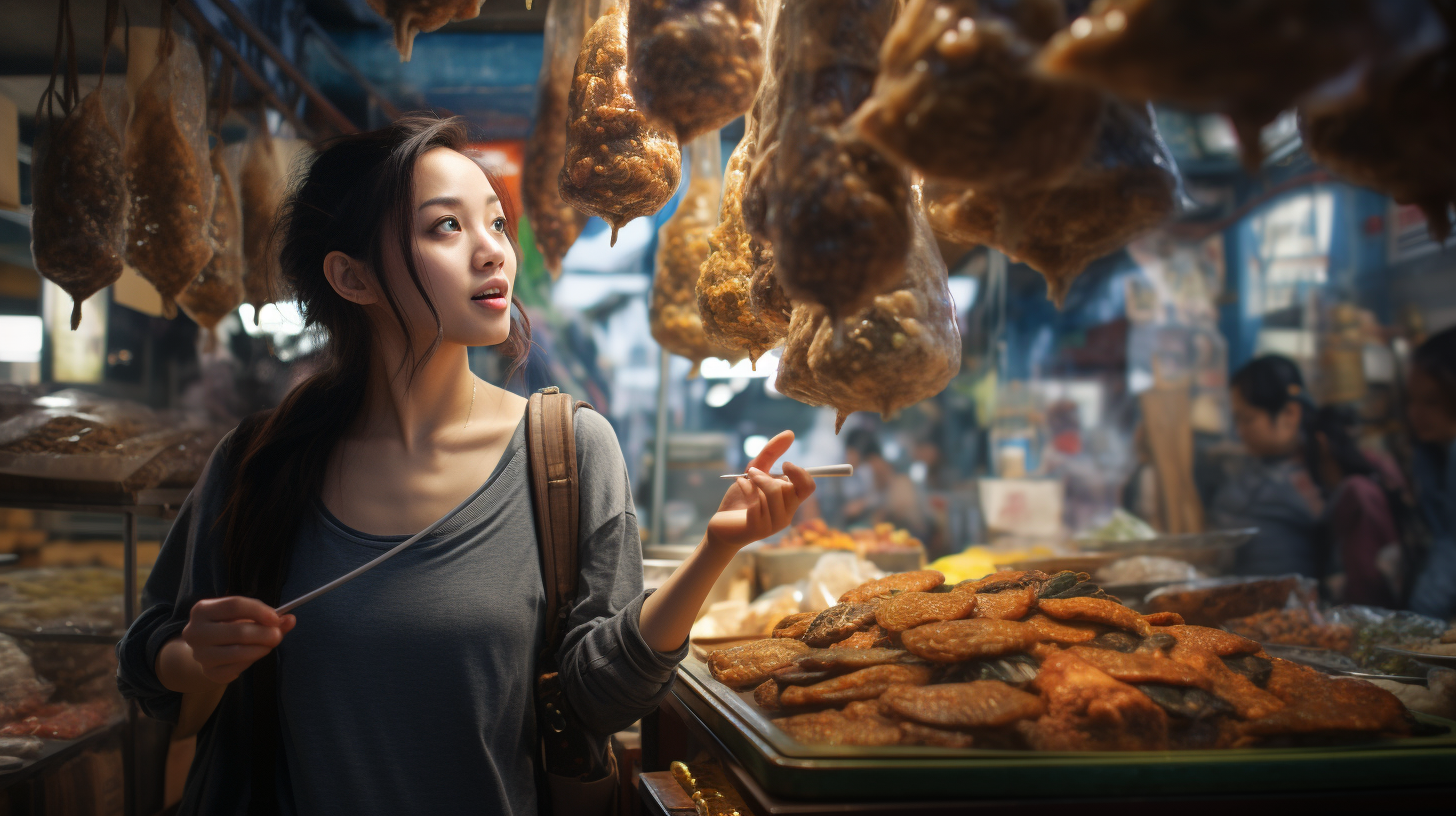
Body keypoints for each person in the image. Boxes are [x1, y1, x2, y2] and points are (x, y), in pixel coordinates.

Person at [115, 117, 816, 815]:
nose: (494, 254)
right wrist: (193, 657)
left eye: (496, 223)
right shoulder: (257, 461)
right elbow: (147, 666)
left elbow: (600, 700)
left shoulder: (567, 453)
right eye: (445, 227)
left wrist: (715, 551)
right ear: (351, 276)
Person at [1211, 355, 1326, 577]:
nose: (1240, 431)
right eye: (1237, 420)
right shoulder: (1257, 465)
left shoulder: (1321, 471)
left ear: (1289, 415)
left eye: (1248, 419)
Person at [1407, 326, 1456, 618]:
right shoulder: (1431, 455)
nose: (1416, 413)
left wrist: (1419, 619)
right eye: (1412, 400)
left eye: (1432, 401)